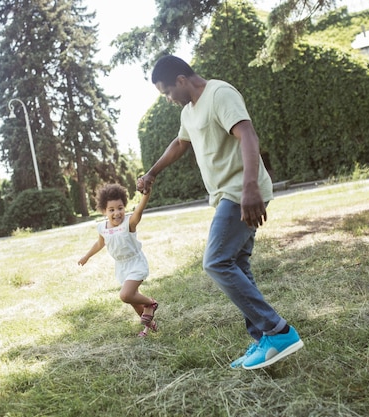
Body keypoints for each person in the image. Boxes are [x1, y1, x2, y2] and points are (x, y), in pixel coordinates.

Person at [137, 55, 303, 369]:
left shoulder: (220, 94)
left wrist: (251, 186)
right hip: (229, 195)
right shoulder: (189, 111)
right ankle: (264, 339)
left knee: (215, 261)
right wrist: (151, 172)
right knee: (237, 264)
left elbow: (248, 136)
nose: (169, 99)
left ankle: (279, 331)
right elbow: (180, 143)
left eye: (167, 92)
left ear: (182, 80)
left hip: (241, 192)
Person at [78, 183, 159, 337]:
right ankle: (148, 327)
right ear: (104, 211)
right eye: (111, 210)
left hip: (135, 263)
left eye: (120, 208)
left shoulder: (129, 223)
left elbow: (139, 210)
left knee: (125, 295)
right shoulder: (102, 227)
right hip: (121, 267)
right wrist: (87, 256)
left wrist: (146, 195)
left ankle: (151, 303)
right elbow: (100, 243)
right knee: (134, 301)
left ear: (124, 207)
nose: (117, 213)